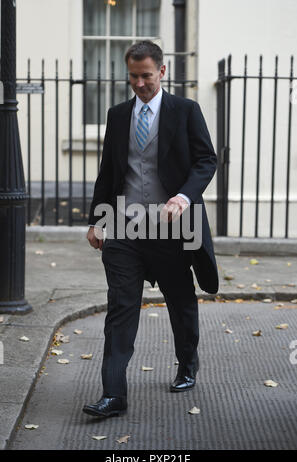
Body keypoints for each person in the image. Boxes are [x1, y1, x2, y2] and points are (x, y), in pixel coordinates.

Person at [83, 40, 218, 419]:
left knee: (180, 300)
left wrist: (184, 197)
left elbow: (207, 159)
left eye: (146, 75)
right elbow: (109, 171)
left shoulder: (186, 111)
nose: (139, 83)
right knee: (121, 307)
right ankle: (114, 394)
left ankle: (187, 363)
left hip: (175, 227)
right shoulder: (117, 114)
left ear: (162, 71)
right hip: (125, 224)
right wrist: (98, 220)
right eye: (133, 76)